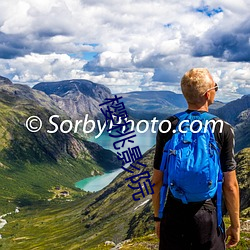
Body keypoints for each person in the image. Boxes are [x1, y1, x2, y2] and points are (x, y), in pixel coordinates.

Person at [152, 68, 240, 250]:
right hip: (207, 215)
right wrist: (235, 225)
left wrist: (158, 218)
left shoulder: (168, 125)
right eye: (216, 87)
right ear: (208, 94)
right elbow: (230, 185)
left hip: (174, 212)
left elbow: (157, 181)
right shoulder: (222, 129)